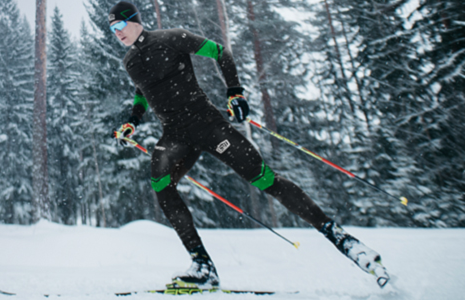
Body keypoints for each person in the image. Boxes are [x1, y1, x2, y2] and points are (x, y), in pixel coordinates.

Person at [106, 1, 389, 289]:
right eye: (111, 29)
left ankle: (342, 238)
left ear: (135, 20)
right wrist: (132, 121)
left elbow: (219, 52)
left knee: (265, 180)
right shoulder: (130, 62)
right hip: (175, 135)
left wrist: (235, 93)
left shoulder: (171, 38)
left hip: (207, 124)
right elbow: (142, 92)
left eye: (119, 25)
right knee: (160, 183)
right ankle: (203, 266)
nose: (116, 32)